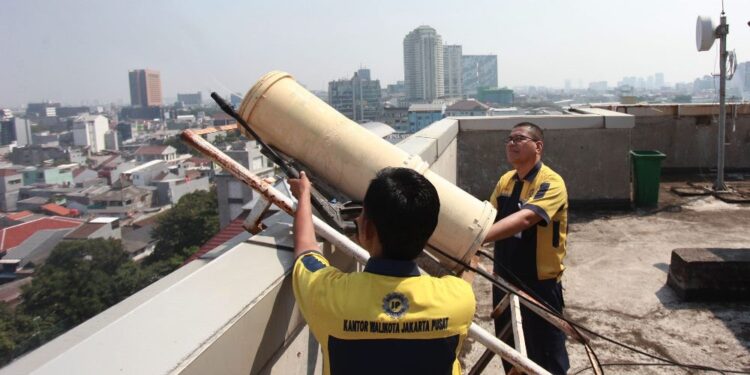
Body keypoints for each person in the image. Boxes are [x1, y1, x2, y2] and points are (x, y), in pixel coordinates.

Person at [289, 167, 476, 375]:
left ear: (367, 229)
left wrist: (304, 194)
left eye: (362, 214)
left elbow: (306, 250)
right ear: (428, 234)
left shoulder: (329, 295)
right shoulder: (459, 299)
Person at [483, 122, 570, 374]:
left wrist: (480, 238)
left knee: (546, 352)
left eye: (519, 138)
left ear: (538, 146)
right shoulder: (506, 181)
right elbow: (488, 216)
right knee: (509, 349)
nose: (512, 143)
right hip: (504, 279)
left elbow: (526, 218)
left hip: (538, 284)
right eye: (509, 139)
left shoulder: (551, 183)